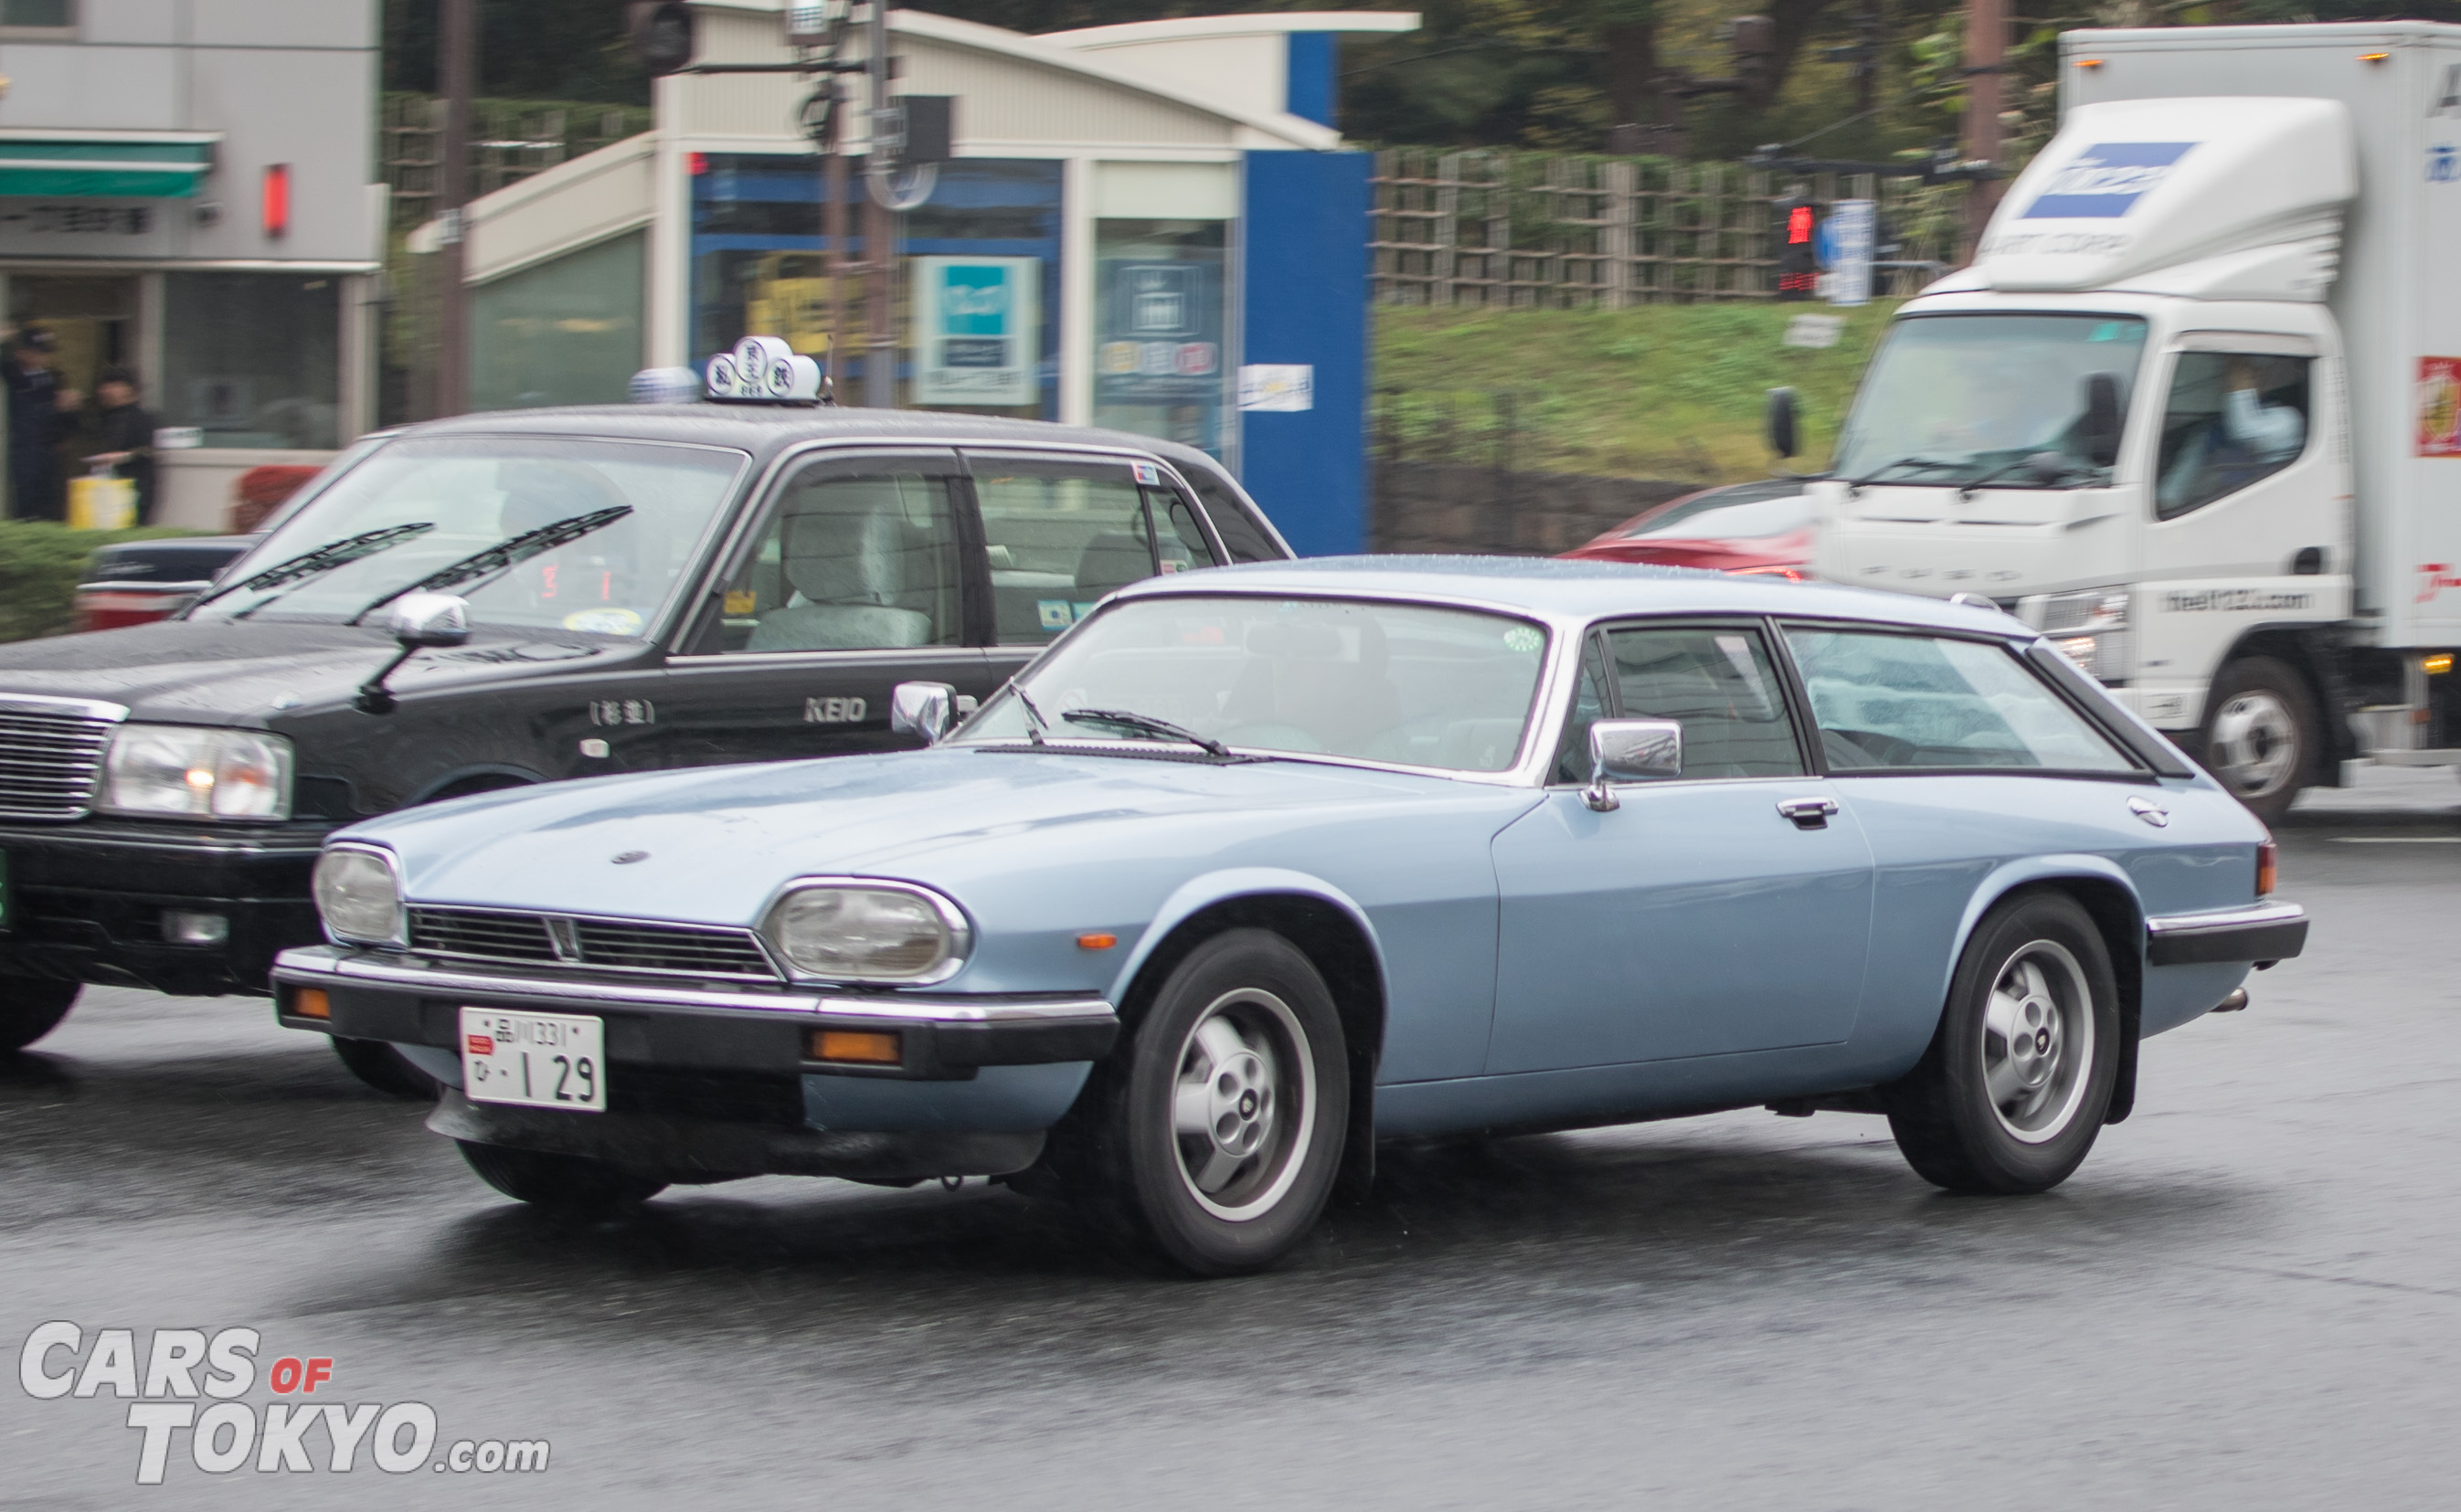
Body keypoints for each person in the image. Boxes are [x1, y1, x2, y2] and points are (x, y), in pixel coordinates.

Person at [4, 329, 79, 522]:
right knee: (25, 500)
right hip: (23, 447)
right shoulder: (15, 374)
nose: (40, 357)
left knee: (48, 500)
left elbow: (68, 420)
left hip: (47, 450)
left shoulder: (53, 379)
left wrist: (68, 411)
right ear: (22, 352)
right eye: (35, 351)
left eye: (45, 352)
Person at [82, 367, 159, 525]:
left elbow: (150, 450)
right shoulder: (104, 417)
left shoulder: (143, 418)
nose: (106, 391)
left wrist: (123, 456)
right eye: (104, 387)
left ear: (128, 389)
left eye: (113, 386)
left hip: (136, 487)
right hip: (107, 488)